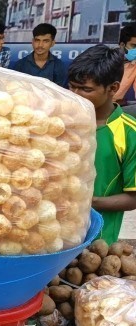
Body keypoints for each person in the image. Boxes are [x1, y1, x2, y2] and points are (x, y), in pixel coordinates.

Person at [68, 44, 136, 244]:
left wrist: (86, 202)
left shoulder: (129, 133)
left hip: (98, 244)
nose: (75, 94)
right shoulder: (60, 122)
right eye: (72, 86)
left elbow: (132, 198)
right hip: (50, 238)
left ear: (113, 88)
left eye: (86, 89)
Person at [114, 25, 136, 105]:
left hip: (114, 108)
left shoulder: (134, 66)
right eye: (134, 46)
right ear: (122, 45)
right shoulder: (103, 59)